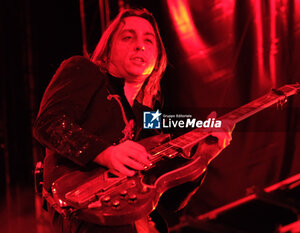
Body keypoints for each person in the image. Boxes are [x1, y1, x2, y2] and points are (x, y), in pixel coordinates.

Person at [33, 8, 233, 233]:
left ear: (157, 59)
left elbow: (171, 201)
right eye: (128, 37)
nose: (140, 46)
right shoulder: (83, 70)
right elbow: (49, 123)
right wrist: (106, 153)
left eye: (149, 40)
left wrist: (204, 155)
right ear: (108, 50)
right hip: (88, 218)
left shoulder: (149, 117)